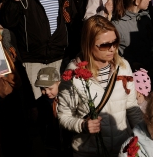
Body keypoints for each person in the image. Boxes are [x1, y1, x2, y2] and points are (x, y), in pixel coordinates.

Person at [58, 16, 144, 156]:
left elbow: (132, 108)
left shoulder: (123, 67)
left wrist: (143, 138)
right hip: (89, 151)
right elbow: (63, 115)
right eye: (104, 45)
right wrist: (82, 125)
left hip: (122, 149)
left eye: (115, 42)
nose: (112, 48)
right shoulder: (73, 74)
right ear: (89, 44)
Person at [0, 0, 76, 99]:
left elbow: (71, 20)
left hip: (58, 57)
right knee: (36, 105)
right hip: (32, 59)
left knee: (60, 103)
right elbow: (8, 22)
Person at [112, 0, 153, 73]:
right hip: (128, 72)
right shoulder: (117, 25)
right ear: (137, 1)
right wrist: (131, 63)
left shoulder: (145, 18)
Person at [35, 67, 68, 155]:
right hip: (47, 147)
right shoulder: (38, 104)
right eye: (42, 89)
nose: (46, 92)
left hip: (66, 147)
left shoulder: (66, 101)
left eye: (50, 88)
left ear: (59, 83)